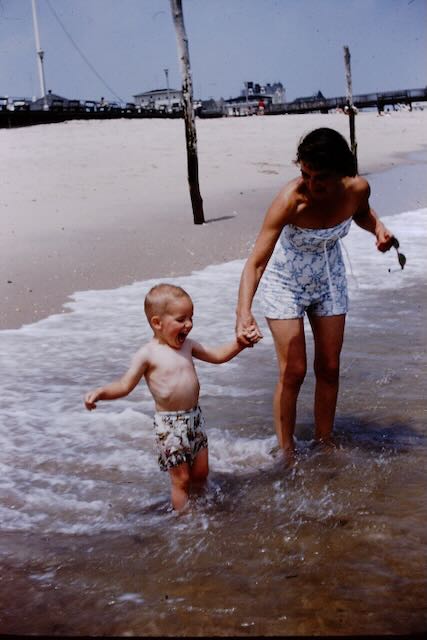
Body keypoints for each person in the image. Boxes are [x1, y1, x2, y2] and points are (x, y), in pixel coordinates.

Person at [235, 127, 395, 464]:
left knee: (330, 367)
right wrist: (243, 313)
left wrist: (378, 229)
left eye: (320, 177)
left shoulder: (358, 188)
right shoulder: (290, 200)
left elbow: (362, 214)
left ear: (341, 173)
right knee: (294, 370)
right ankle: (287, 453)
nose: (311, 183)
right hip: (286, 282)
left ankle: (324, 443)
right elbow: (256, 263)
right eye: (305, 174)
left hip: (330, 279)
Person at [85, 283, 259, 511]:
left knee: (201, 473)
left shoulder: (188, 346)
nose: (189, 324)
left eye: (191, 318)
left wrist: (240, 344)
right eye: (181, 319)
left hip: (195, 419)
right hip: (169, 426)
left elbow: (217, 356)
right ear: (157, 323)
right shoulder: (148, 354)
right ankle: (184, 520)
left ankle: (203, 508)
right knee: (181, 479)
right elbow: (124, 385)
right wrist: (101, 393)